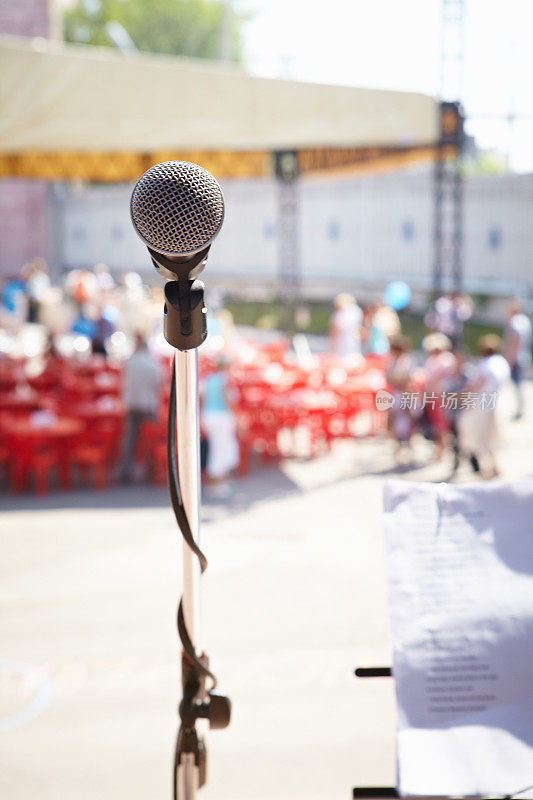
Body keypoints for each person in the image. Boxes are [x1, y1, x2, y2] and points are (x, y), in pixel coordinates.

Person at [457, 334, 510, 479]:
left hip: (484, 406)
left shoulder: (485, 364)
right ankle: (494, 466)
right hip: (499, 403)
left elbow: (477, 384)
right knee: (494, 437)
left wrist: (462, 394)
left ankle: (490, 467)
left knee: (482, 437)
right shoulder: (501, 362)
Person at [120, 334, 161, 483]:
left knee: (130, 439)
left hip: (132, 404)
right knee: (150, 439)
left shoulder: (130, 362)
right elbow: (157, 383)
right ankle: (152, 470)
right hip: (147, 404)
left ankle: (126, 471)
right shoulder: (151, 364)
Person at [200, 357, 239, 497]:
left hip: (209, 416)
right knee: (220, 449)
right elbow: (228, 400)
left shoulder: (208, 380)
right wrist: (237, 417)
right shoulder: (224, 380)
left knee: (218, 448)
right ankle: (217, 482)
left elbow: (202, 400)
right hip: (221, 417)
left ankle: (218, 481)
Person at [504, 298, 532, 419]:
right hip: (523, 355)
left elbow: (514, 342)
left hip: (517, 358)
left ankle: (520, 409)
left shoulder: (515, 322)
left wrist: (509, 361)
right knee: (519, 384)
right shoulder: (525, 321)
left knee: (516, 385)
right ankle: (521, 408)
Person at [329, 293, 363, 361]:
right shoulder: (356, 312)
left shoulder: (340, 314)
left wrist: (331, 348)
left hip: (342, 349)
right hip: (354, 348)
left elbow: (334, 332)